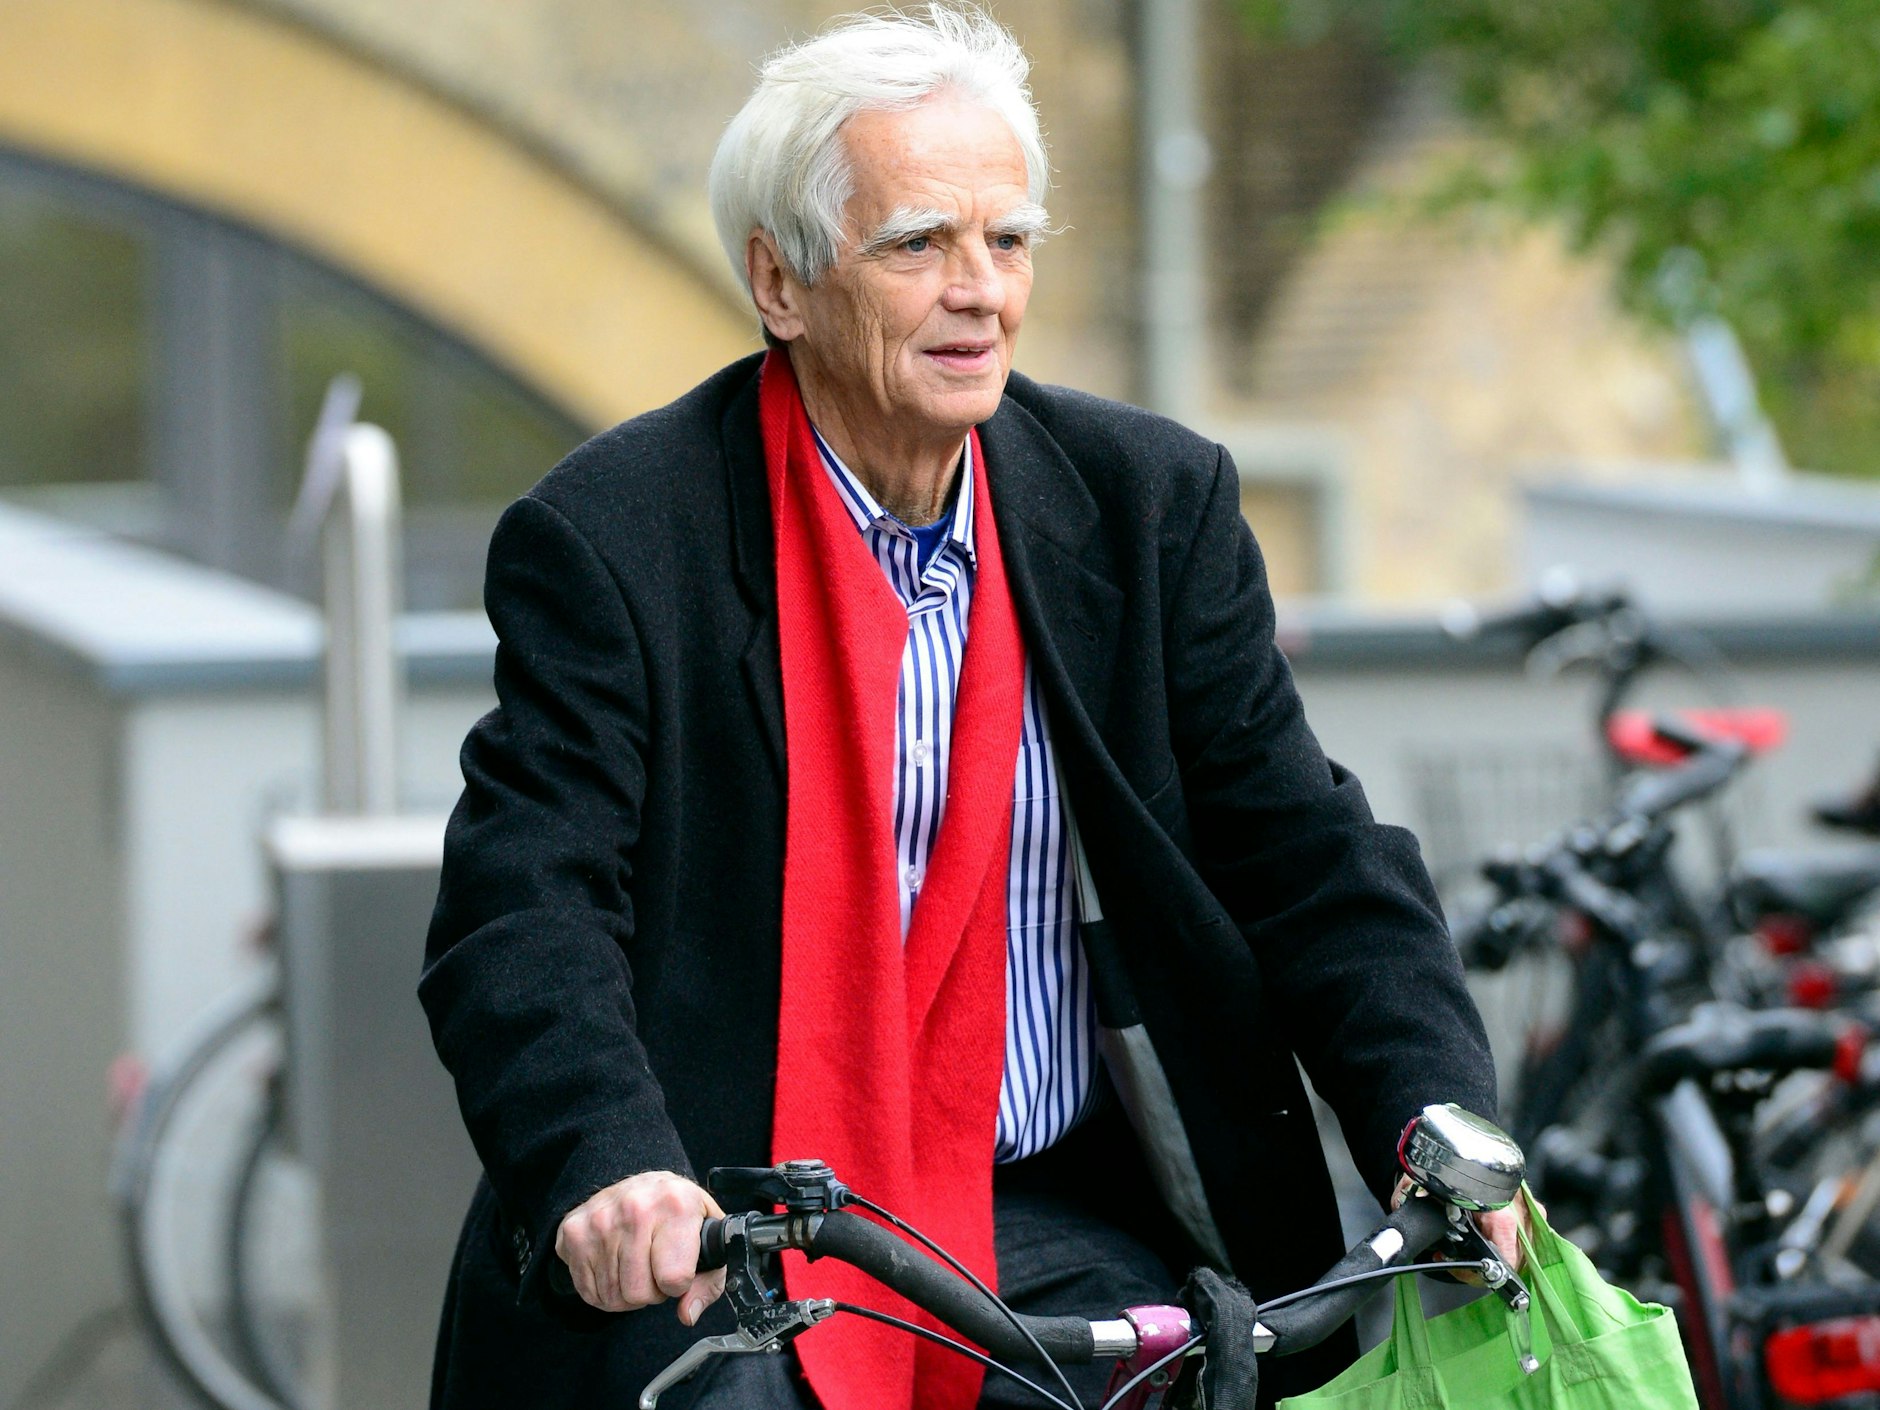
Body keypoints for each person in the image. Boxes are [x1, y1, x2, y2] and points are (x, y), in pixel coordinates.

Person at [419, 8, 1516, 1409]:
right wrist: (611, 1163)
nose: (981, 289)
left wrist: (1432, 1110)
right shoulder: (619, 536)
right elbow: (527, 901)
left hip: (1047, 1207)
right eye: (919, 243)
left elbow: (1308, 854)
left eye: (1009, 240)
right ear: (781, 281)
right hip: (734, 1214)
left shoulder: (1147, 508)